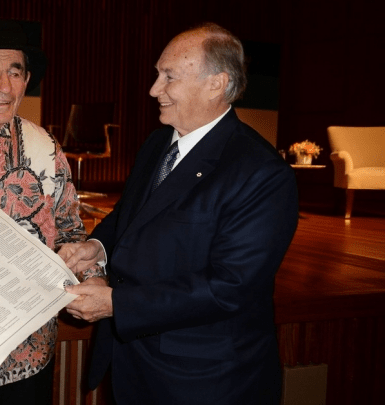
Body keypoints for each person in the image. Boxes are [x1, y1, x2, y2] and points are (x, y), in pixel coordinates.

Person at [60, 23, 299, 405]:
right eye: (158, 74)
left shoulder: (261, 173)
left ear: (216, 84)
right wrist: (97, 247)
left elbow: (230, 286)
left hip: (204, 381)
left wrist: (116, 305)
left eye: (168, 77)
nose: (154, 89)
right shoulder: (158, 142)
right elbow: (130, 216)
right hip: (131, 365)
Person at [0, 19, 104, 405]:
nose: (4, 86)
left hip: (28, 341)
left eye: (15, 73)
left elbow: (68, 227)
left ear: (27, 81)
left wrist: (93, 276)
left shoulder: (44, 145)